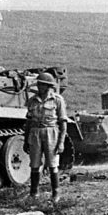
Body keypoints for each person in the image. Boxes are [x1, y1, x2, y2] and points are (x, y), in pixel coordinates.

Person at [23, 73, 67, 202]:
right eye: (39, 84)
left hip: (51, 132)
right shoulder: (32, 100)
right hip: (35, 132)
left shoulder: (57, 100)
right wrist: (26, 140)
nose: (40, 87)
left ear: (49, 86)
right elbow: (29, 122)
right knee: (35, 164)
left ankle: (55, 194)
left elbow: (63, 122)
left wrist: (61, 142)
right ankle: (34, 193)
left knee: (53, 164)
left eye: (43, 84)